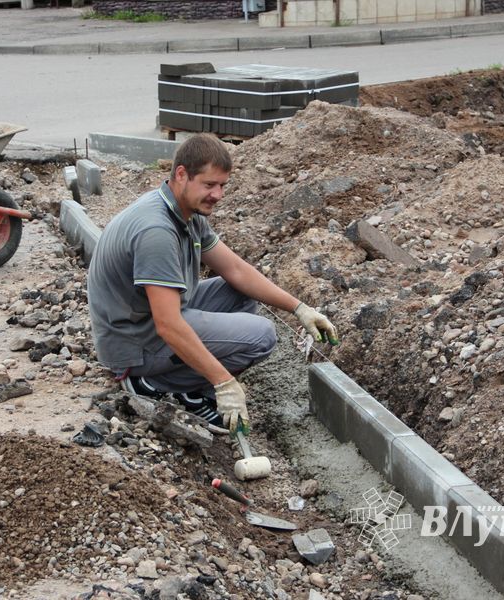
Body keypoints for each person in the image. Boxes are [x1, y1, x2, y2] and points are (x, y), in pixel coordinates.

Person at [87, 133, 338, 435]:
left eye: (222, 186)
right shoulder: (157, 232)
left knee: (239, 293)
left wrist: (298, 308)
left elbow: (236, 270)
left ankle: (190, 383)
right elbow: (168, 325)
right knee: (262, 336)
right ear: (182, 174)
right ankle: (154, 383)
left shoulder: (185, 212)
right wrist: (223, 381)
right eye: (209, 185)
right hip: (132, 343)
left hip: (142, 319)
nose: (217, 194)